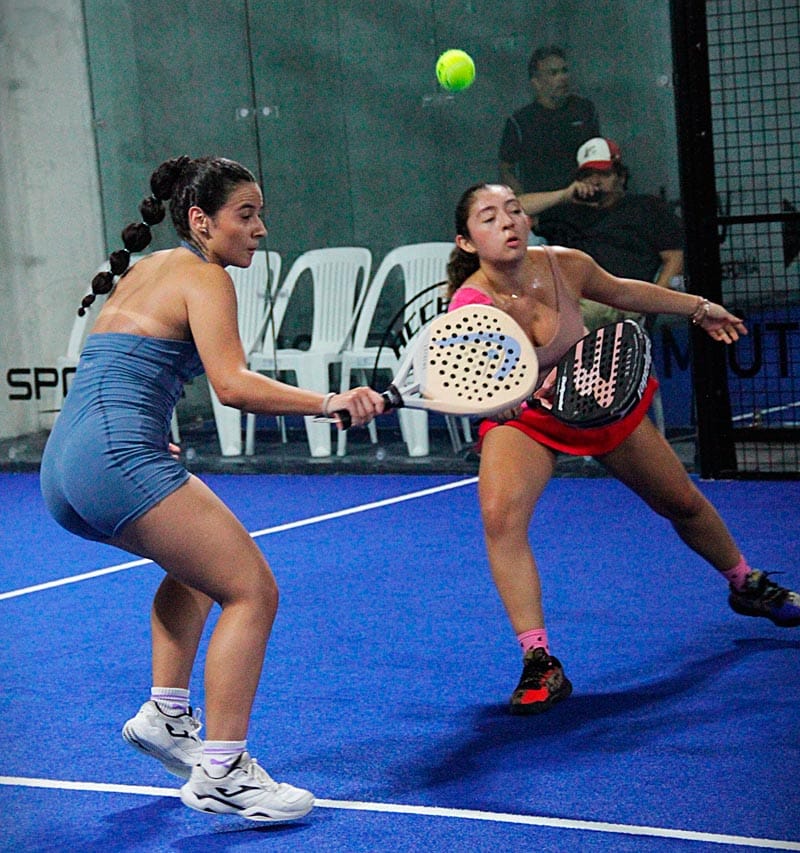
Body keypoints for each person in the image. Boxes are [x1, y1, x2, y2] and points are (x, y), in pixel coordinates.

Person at [40, 155, 384, 820]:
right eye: (245, 215)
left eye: (260, 214)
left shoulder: (147, 270)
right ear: (201, 221)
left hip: (68, 463)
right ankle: (223, 769)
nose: (260, 229)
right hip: (112, 452)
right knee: (251, 589)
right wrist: (328, 401)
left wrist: (135, 437)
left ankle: (167, 716)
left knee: (198, 569)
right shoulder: (207, 276)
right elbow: (231, 384)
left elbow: (124, 368)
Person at [445, 182, 800, 716]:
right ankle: (539, 660)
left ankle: (745, 583)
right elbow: (477, 388)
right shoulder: (471, 305)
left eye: (514, 211)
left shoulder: (565, 265)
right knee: (500, 517)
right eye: (490, 218)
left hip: (592, 394)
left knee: (681, 502)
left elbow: (626, 291)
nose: (509, 223)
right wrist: (495, 401)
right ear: (468, 241)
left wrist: (698, 308)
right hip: (530, 420)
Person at [522, 137, 685, 330]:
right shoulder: (566, 209)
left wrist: (653, 301)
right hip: (568, 294)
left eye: (603, 174)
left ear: (620, 176)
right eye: (588, 175)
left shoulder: (645, 207)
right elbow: (513, 210)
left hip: (618, 298)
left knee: (560, 320)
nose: (595, 181)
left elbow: (675, 256)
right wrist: (564, 195)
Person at [498, 46, 600, 195]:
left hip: (584, 200)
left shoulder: (585, 110)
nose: (562, 78)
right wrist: (523, 205)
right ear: (536, 82)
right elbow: (505, 168)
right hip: (544, 207)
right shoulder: (520, 122)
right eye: (553, 73)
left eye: (564, 71)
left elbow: (598, 154)